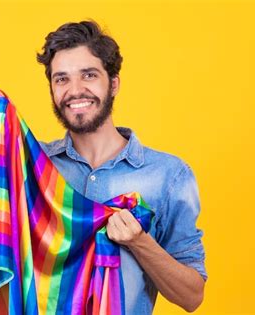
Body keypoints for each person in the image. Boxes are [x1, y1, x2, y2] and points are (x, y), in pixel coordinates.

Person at [36, 20, 207, 314]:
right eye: (61, 79)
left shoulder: (169, 176)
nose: (75, 90)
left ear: (113, 83)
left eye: (88, 75)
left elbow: (192, 296)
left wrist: (140, 242)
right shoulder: (33, 169)